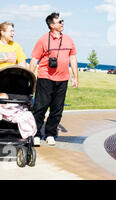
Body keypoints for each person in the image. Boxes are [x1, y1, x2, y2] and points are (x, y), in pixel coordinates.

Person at [30, 12, 79, 146]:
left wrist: (75, 77)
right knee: (40, 107)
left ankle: (50, 133)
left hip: (63, 78)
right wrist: (30, 77)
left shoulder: (68, 39)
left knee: (57, 109)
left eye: (63, 21)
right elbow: (34, 59)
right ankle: (36, 134)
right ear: (52, 25)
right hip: (46, 77)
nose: (62, 23)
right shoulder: (43, 39)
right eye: (60, 21)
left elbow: (73, 58)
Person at [0, 22, 28, 105]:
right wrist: (2, 71)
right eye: (11, 31)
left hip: (10, 83)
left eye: (13, 31)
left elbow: (22, 62)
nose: (13, 33)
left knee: (9, 107)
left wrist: (18, 72)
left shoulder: (16, 46)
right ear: (2, 32)